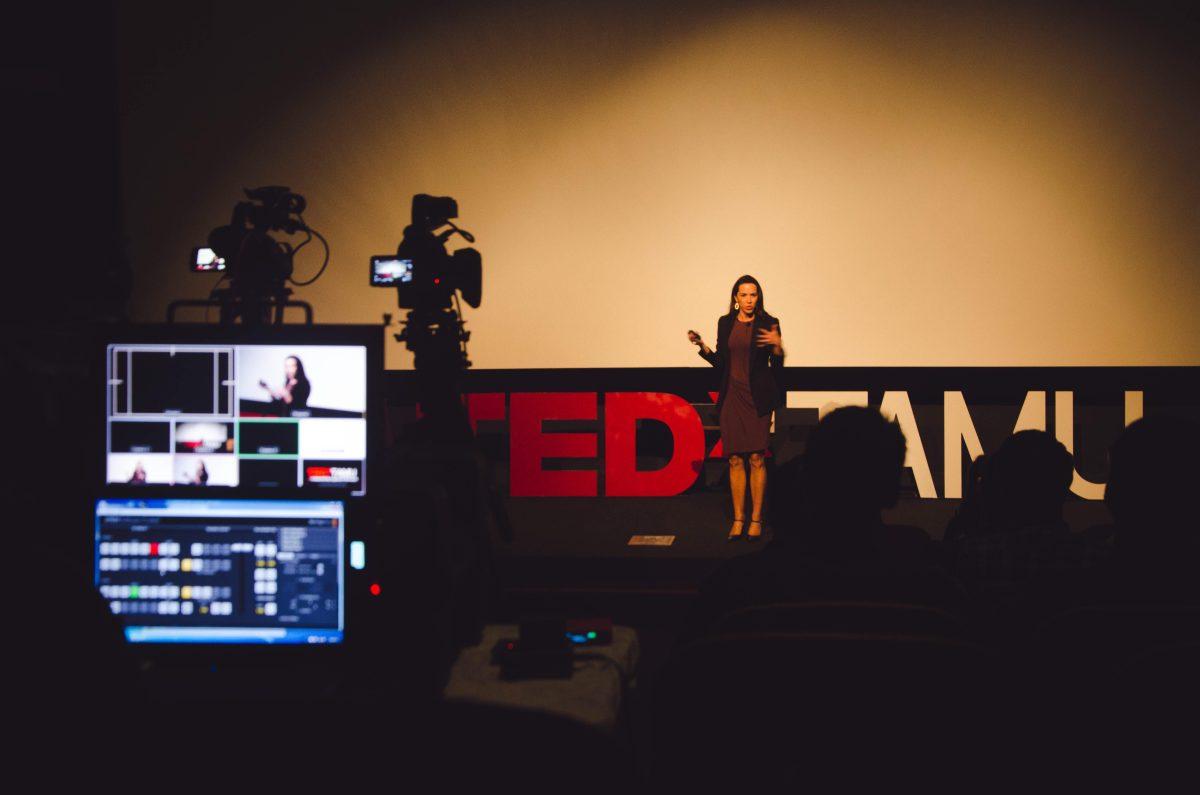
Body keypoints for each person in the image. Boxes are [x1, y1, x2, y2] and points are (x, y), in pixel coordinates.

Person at [688, 275, 783, 541]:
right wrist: (702, 347)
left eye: (753, 295)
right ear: (735, 298)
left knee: (756, 458)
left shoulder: (769, 323)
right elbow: (721, 363)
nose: (749, 299)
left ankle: (756, 519)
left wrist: (777, 348)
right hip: (731, 398)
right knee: (734, 459)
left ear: (758, 297)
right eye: (744, 295)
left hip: (757, 398)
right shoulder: (725, 322)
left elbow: (777, 367)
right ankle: (739, 518)